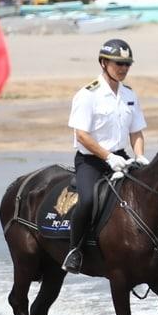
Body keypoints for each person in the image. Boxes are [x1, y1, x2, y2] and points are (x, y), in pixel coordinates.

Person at [62, 38, 147, 274]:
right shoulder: (88, 94)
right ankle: (75, 250)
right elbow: (81, 135)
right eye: (118, 63)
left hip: (122, 158)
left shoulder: (130, 95)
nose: (123, 68)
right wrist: (108, 156)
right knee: (88, 200)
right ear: (103, 62)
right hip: (92, 160)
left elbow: (136, 131)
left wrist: (139, 156)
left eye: (127, 64)